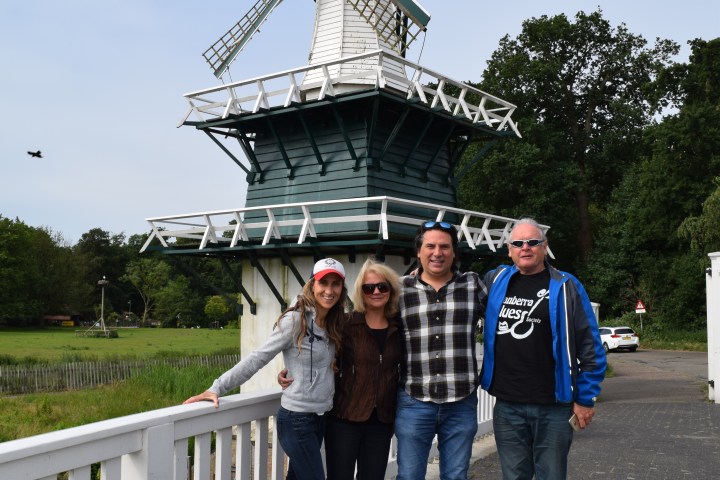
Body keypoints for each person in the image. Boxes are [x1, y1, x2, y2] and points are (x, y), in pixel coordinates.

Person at [184, 258, 348, 480]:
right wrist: (217, 387)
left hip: (321, 416)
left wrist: (293, 371)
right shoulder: (294, 320)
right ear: (312, 285)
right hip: (297, 419)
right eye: (323, 282)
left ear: (342, 288)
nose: (329, 290)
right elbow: (258, 358)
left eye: (335, 284)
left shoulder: (334, 322)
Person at [480, 218, 607, 480]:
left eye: (532, 242)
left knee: (551, 475)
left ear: (544, 246)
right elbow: (458, 292)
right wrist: (423, 274)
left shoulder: (567, 286)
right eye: (518, 243)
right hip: (508, 405)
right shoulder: (496, 280)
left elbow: (590, 346)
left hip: (554, 407)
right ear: (509, 249)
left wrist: (585, 398)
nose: (525, 247)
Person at [280, 258, 403, 480]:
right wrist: (289, 371)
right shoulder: (344, 324)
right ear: (360, 292)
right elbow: (315, 352)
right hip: (344, 419)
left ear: (391, 291)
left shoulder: (399, 328)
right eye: (368, 287)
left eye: (382, 286)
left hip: (381, 421)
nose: (376, 291)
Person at [394, 220, 487, 480]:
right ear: (418, 252)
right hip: (414, 399)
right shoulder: (399, 289)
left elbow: (506, 320)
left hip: (460, 400)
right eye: (430, 246)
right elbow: (369, 330)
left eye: (444, 246)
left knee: (456, 476)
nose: (438, 253)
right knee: (410, 476)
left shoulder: (473, 285)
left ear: (454, 252)